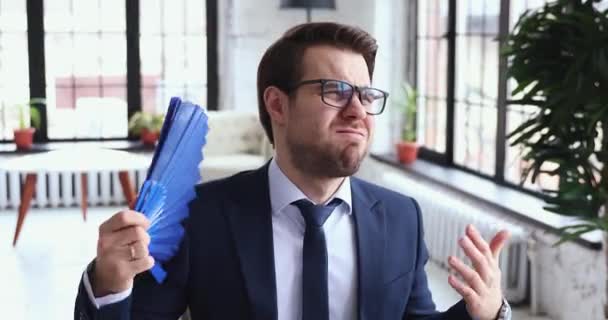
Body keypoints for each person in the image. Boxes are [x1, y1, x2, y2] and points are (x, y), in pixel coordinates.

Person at [74, 22, 512, 320]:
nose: (358, 110)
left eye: (366, 94)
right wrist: (110, 282)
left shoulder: (400, 217)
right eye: (335, 91)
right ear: (277, 104)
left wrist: (486, 312)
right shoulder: (202, 218)